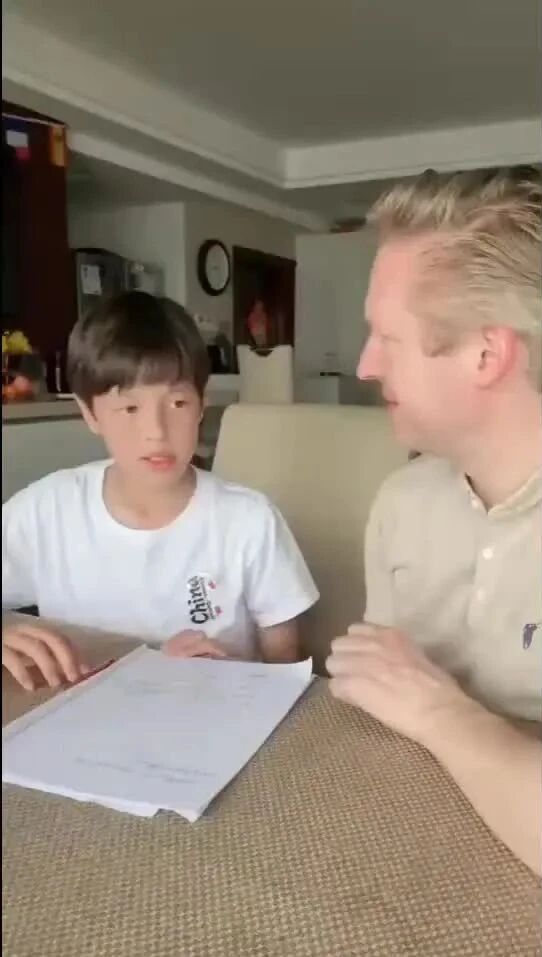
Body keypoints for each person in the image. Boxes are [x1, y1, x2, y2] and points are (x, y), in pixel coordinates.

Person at [326, 167, 542, 875]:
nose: (364, 366)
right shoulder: (402, 503)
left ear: (487, 353)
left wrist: (436, 710)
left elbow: (410, 701)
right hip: (384, 863)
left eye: (387, 337)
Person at [2, 292, 318, 690]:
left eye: (178, 403)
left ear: (202, 405)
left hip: (214, 715)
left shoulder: (249, 522)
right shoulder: (46, 511)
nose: (156, 432)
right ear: (90, 413)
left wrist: (220, 672)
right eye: (130, 408)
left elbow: (286, 671)